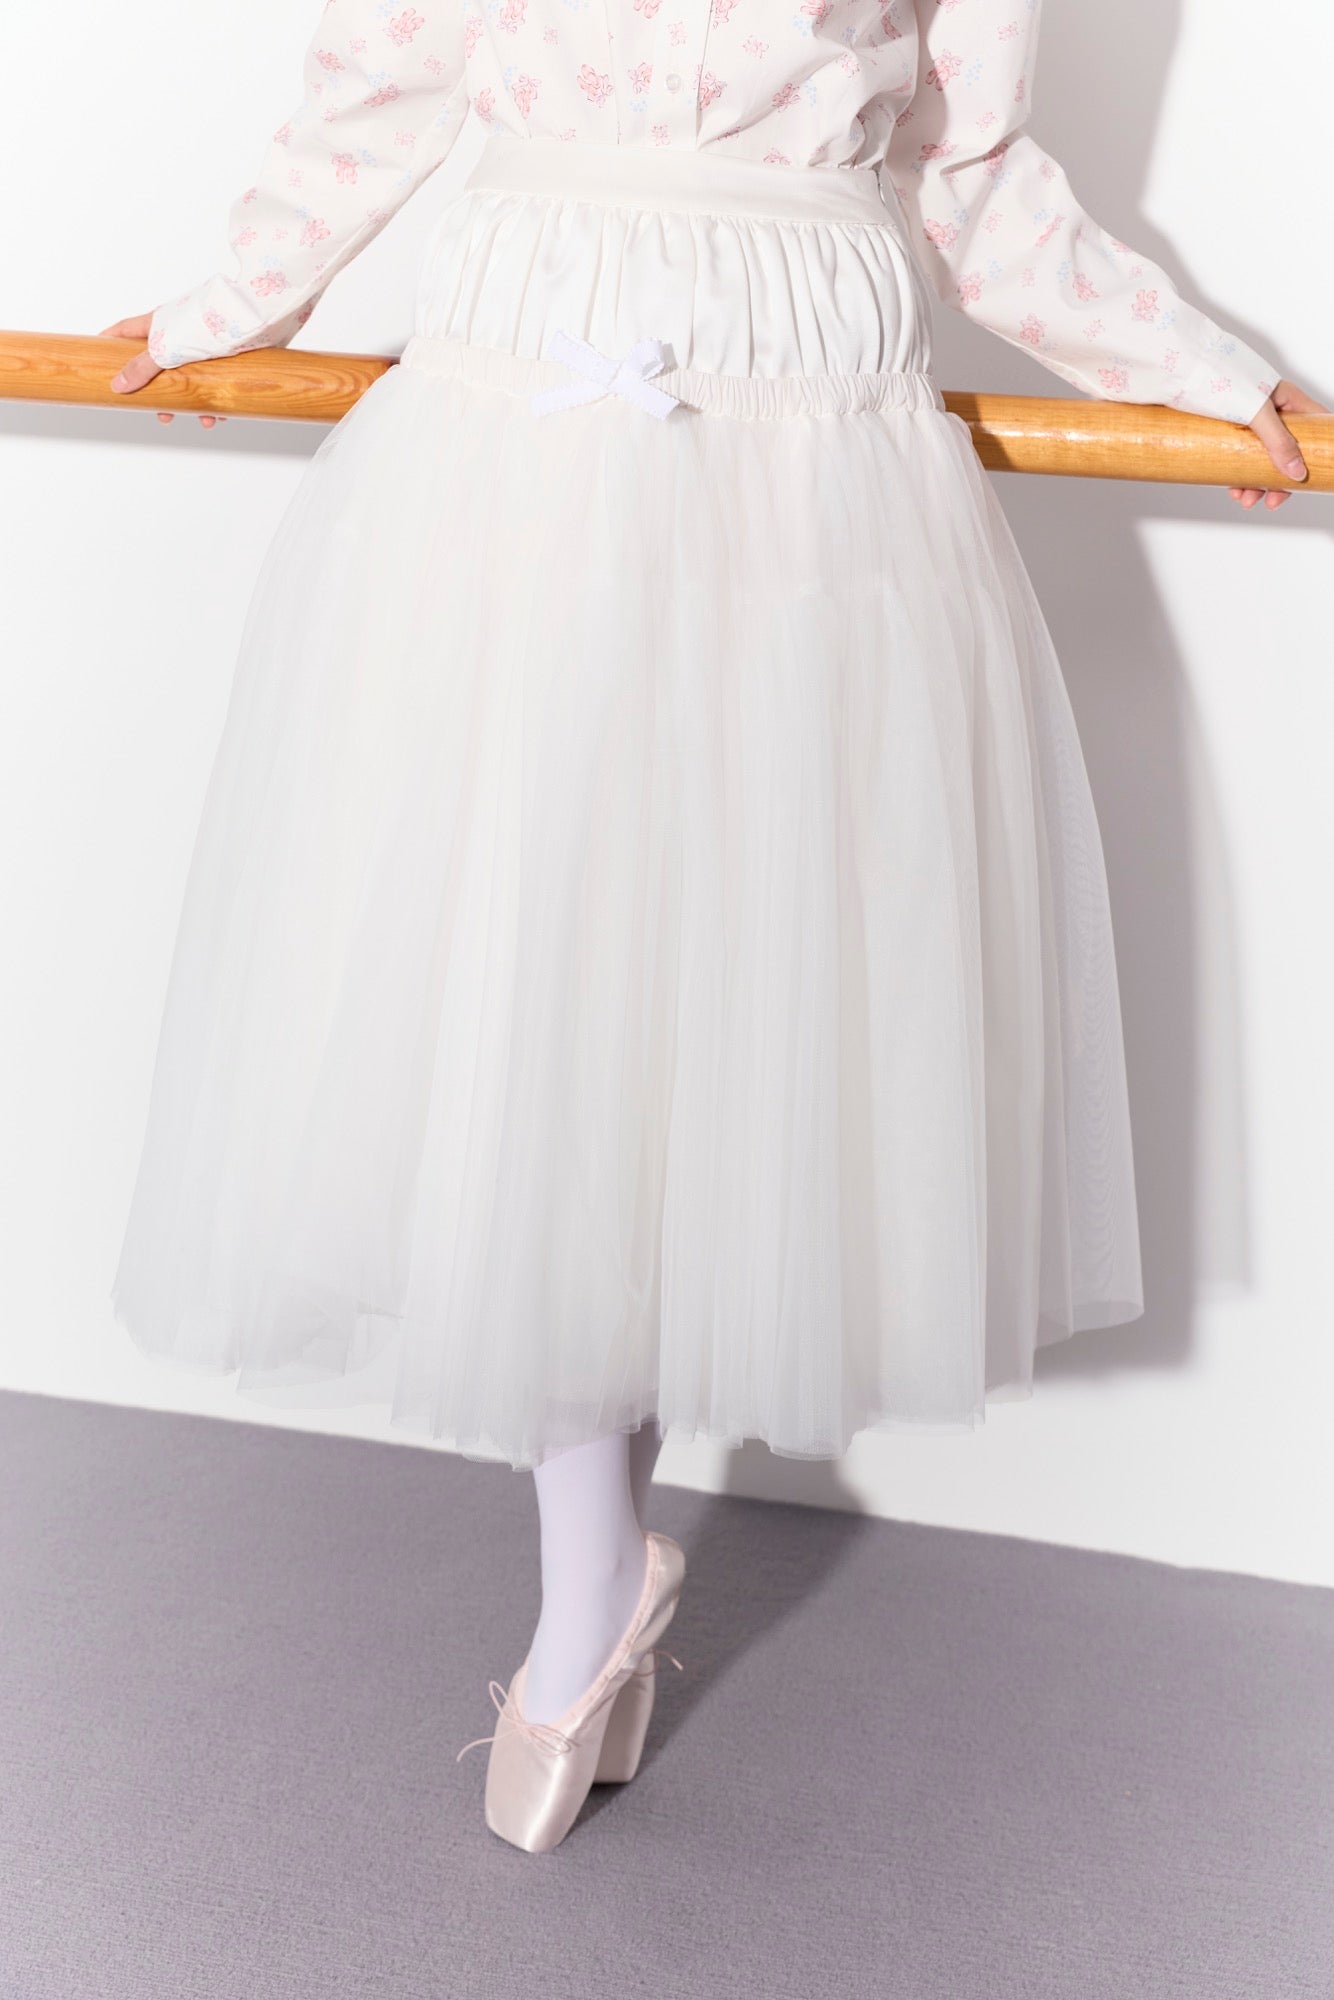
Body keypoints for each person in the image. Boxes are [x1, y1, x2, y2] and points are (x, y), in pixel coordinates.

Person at [103, 0, 1321, 1852]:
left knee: (720, 997)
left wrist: (1206, 374)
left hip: (803, 442)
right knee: (540, 980)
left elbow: (971, 167)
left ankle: (594, 1579)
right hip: (520, 404)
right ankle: (587, 1572)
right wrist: (229, 304)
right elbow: (387, 68)